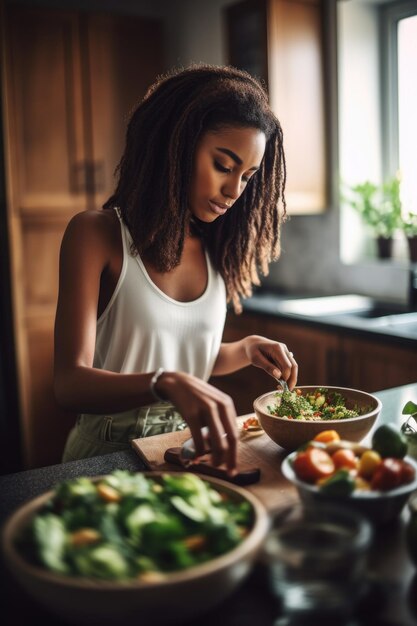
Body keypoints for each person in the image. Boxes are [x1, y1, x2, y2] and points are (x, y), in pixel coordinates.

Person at [54, 64, 298, 473]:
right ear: (177, 145)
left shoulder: (217, 246)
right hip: (104, 456)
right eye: (223, 165)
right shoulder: (96, 234)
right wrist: (164, 382)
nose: (234, 190)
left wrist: (244, 350)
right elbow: (69, 383)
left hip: (183, 449)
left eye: (248, 177)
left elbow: (185, 355)